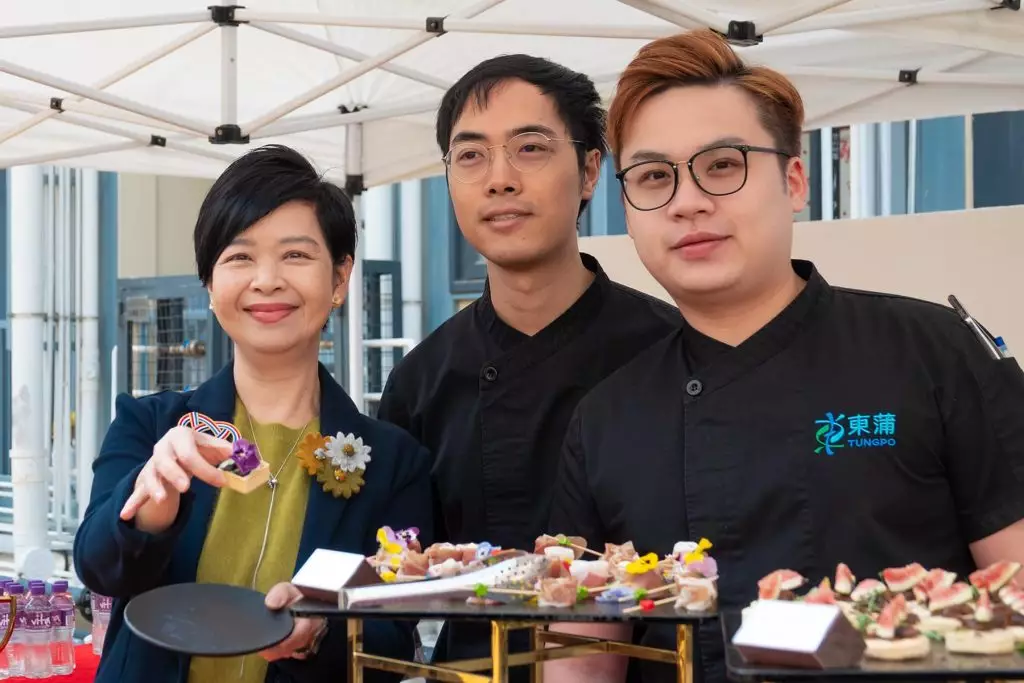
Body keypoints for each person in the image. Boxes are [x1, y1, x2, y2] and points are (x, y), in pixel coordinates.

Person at [548, 28, 1024, 683]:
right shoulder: (606, 419)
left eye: (723, 164)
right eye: (654, 176)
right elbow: (581, 662)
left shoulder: (935, 352)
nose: (687, 201)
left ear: (794, 180)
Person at [73, 144, 432, 683]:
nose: (266, 279)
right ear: (210, 285)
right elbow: (98, 569)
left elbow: (393, 638)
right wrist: (153, 503)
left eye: (296, 255)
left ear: (339, 279)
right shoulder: (152, 426)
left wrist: (319, 632)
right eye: (239, 257)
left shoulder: (394, 462)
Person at [375, 55, 680, 675]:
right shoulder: (420, 382)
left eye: (530, 148)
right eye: (471, 155)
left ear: (590, 171)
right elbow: (396, 578)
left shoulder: (673, 353)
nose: (499, 180)